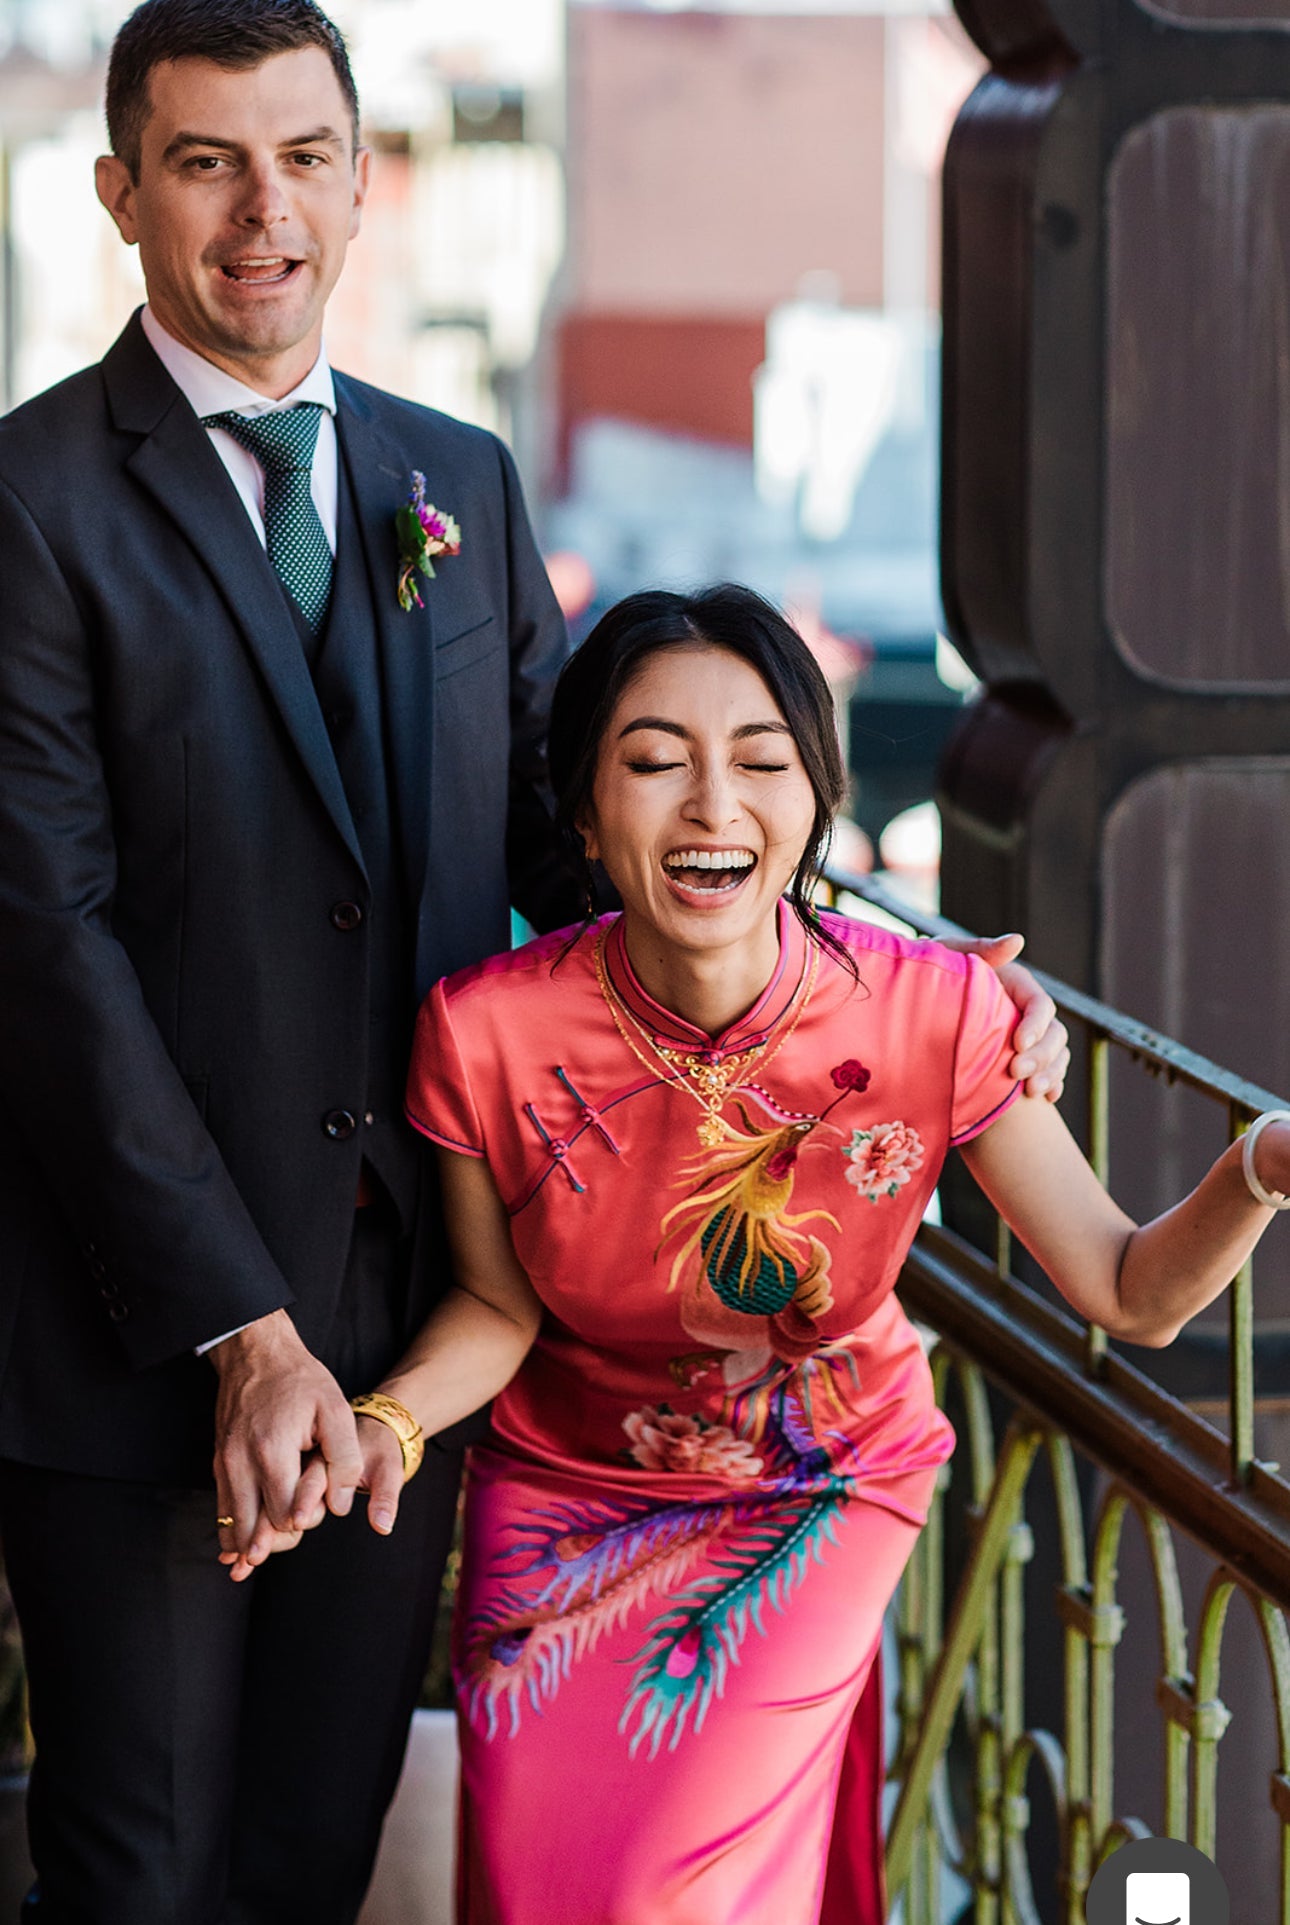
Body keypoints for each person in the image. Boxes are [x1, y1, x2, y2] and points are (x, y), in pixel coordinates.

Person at [236, 584, 1290, 1924]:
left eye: (759, 760)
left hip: (815, 1489)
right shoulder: (485, 1031)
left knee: (652, 1898)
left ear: (813, 802)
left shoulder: (929, 1011)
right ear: (580, 814)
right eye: (655, 762)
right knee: (535, 1888)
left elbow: (1129, 1290)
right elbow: (496, 1307)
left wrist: (1256, 1166)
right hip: (559, 1494)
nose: (710, 806)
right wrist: (386, 1420)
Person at [0, 2, 577, 1919]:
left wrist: (866, 971)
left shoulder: (460, 485)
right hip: (135, 1330)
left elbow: (580, 855)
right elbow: (41, 943)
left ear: (359, 183)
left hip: (406, 1333)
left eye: (305, 157)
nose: (265, 212)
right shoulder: (29, 504)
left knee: (306, 1869)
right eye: (206, 161)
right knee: (140, 1875)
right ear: (120, 192)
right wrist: (242, 1326)